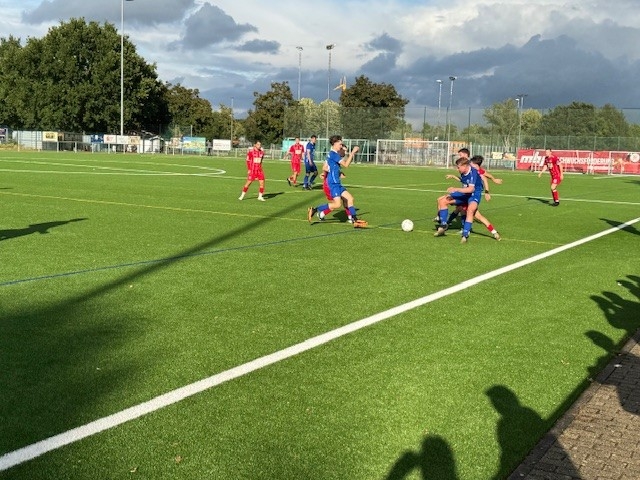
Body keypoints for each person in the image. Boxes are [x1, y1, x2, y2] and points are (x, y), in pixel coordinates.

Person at [307, 135, 367, 228]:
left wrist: (336, 172)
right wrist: (352, 153)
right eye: (340, 144)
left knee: (350, 199)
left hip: (337, 182)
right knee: (337, 204)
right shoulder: (334, 154)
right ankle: (315, 210)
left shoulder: (333, 153)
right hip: (333, 183)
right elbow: (346, 165)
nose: (341, 145)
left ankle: (355, 220)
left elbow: (327, 166)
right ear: (334, 143)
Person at [445, 155, 502, 240]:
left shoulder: (477, 170)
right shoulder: (468, 169)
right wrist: (453, 176)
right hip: (467, 193)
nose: (471, 166)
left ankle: (452, 226)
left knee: (467, 211)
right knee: (465, 210)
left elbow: (486, 178)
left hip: (473, 194)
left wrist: (488, 190)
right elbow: (463, 180)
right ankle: (494, 232)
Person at [434, 156, 482, 243]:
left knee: (470, 210)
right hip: (464, 193)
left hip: (474, 194)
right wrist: (453, 177)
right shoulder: (463, 172)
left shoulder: (473, 173)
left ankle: (465, 235)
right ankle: (443, 225)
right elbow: (464, 182)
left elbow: (471, 189)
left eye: (458, 167)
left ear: (465, 166)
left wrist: (456, 189)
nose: (457, 169)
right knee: (442, 201)